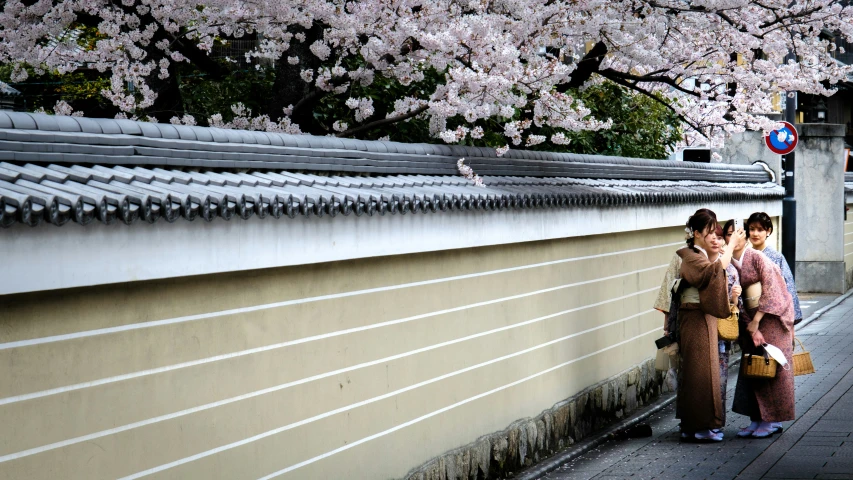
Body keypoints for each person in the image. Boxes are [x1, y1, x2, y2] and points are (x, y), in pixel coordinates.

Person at [676, 209, 743, 442]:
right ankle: (701, 426)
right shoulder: (691, 256)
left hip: (701, 317)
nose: (714, 237)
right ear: (696, 233)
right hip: (695, 317)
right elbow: (713, 274)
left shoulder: (700, 255)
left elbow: (716, 272)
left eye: (716, 233)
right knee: (700, 374)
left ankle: (693, 424)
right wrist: (731, 243)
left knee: (702, 372)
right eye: (709, 232)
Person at [729, 225, 796, 438]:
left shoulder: (757, 257)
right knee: (753, 369)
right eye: (728, 235)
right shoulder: (730, 263)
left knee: (771, 369)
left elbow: (773, 289)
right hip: (750, 321)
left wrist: (757, 321)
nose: (732, 238)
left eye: (737, 233)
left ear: (744, 236)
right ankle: (755, 419)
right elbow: (738, 299)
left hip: (772, 320)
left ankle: (771, 421)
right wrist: (750, 324)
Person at [744, 212, 803, 324]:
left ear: (768, 231)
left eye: (760, 229)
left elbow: (788, 287)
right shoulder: (746, 255)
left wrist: (791, 321)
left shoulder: (776, 257)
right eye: (752, 229)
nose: (755, 233)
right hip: (750, 312)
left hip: (773, 315)